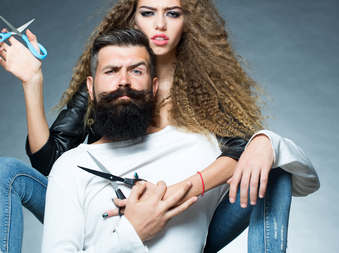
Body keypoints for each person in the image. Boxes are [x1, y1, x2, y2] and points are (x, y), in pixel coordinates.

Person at [0, 0, 320, 252]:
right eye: (148, 13)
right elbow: (52, 162)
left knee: (271, 168)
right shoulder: (114, 82)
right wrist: (33, 82)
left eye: (172, 14)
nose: (159, 25)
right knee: (5, 171)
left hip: (188, 212)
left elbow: (239, 150)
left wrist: (260, 146)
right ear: (132, 19)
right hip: (108, 211)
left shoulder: (208, 86)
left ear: (188, 21)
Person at [41, 28, 316, 252]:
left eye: (136, 71)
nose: (123, 81)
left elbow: (304, 180)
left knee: (272, 169)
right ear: (90, 87)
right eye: (111, 71)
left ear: (154, 86)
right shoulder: (70, 166)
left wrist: (266, 143)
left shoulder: (201, 147)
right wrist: (132, 233)